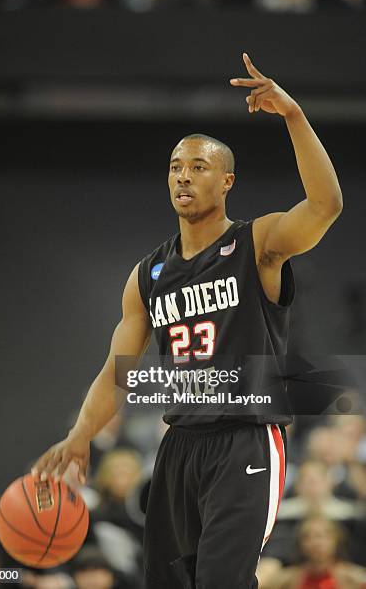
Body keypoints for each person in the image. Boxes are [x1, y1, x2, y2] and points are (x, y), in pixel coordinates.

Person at [32, 52, 343, 588]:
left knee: (223, 580)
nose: (183, 175)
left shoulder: (257, 243)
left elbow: (325, 205)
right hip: (179, 445)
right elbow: (119, 368)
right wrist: (82, 433)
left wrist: (294, 117)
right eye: (176, 166)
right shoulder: (148, 274)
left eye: (198, 166)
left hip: (246, 439)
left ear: (226, 182)